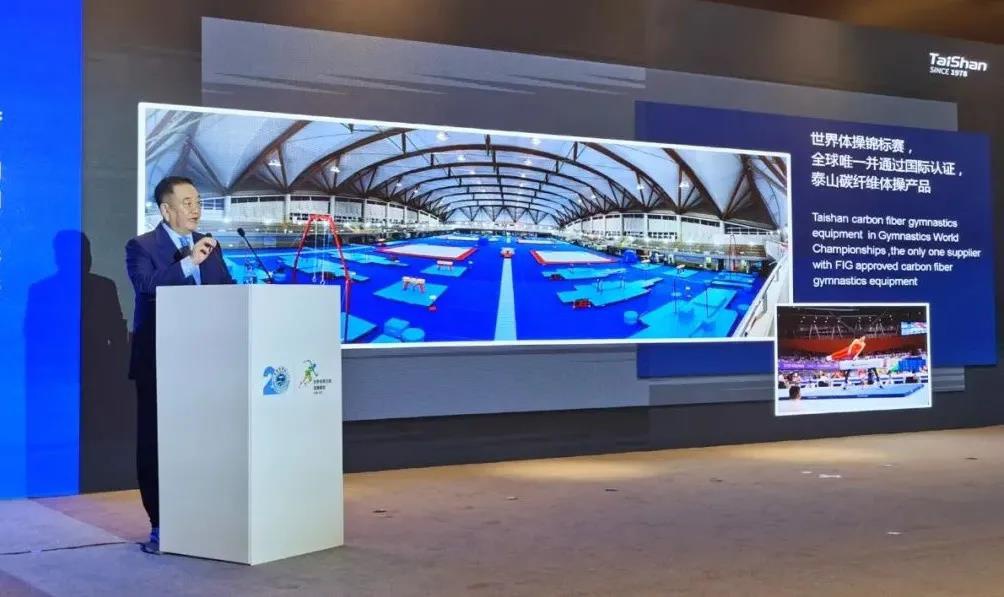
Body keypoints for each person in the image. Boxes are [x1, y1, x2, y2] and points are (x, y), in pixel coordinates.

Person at [125, 176, 235, 554]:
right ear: (165, 209)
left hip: (210, 364)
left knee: (207, 443)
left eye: (198, 202)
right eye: (187, 202)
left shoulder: (212, 247)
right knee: (156, 446)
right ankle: (161, 524)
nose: (196, 209)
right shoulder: (141, 246)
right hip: (160, 363)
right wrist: (189, 262)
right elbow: (146, 286)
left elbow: (228, 293)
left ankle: (206, 518)